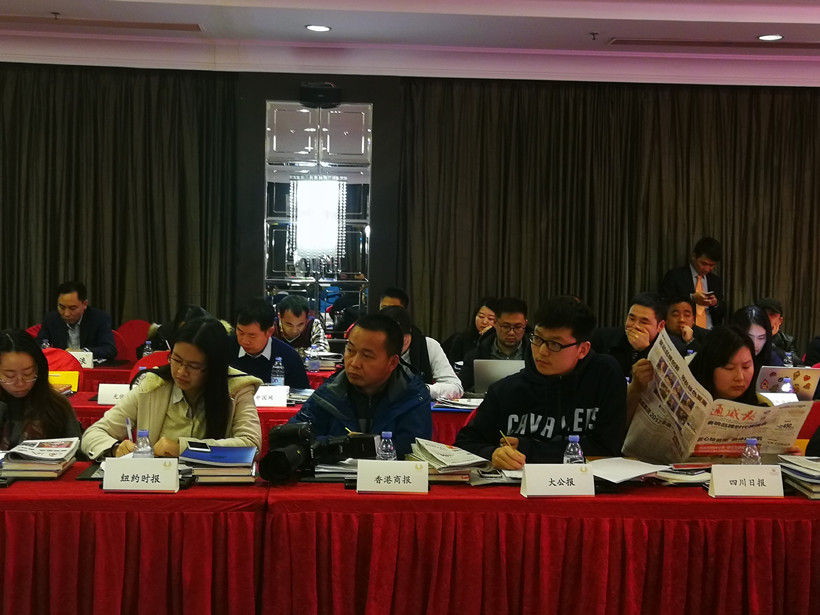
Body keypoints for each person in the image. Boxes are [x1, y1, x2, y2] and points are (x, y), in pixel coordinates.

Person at [454, 296, 626, 468]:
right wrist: (492, 454)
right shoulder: (506, 390)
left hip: (587, 481)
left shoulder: (604, 376)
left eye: (555, 344)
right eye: (537, 339)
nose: (542, 351)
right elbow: (464, 444)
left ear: (582, 349)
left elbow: (607, 449)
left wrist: (530, 449)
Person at [81, 318, 262, 460]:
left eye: (193, 366)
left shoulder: (237, 388)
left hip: (214, 487)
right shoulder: (153, 386)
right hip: (159, 487)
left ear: (213, 367)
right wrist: (114, 448)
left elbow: (251, 446)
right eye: (176, 360)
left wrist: (183, 449)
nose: (181, 372)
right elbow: (93, 434)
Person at [288, 314, 431, 457]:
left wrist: (347, 447)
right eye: (350, 350)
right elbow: (294, 438)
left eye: (367, 356)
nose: (354, 363)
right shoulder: (330, 393)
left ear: (392, 362)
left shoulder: (412, 396)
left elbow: (413, 448)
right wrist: (342, 446)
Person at [0, 329, 82, 450]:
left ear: (39, 369)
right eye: (10, 375)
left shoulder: (57, 407)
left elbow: (77, 453)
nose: (20, 383)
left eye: (28, 373)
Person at [590, 292, 681, 379]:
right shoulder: (602, 338)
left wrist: (646, 350)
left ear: (660, 326)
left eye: (644, 322)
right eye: (632, 319)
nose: (635, 326)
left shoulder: (675, 347)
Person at [380, 305, 463, 399]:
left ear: (408, 334)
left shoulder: (428, 346)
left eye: (400, 339)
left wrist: (423, 389)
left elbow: (456, 388)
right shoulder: (373, 348)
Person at [229, 298, 309, 388]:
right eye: (240, 332)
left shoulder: (289, 357)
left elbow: (301, 393)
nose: (244, 340)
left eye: (252, 335)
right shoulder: (224, 348)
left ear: (269, 332)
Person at [458, 297, 530, 392]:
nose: (511, 332)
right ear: (495, 323)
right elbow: (461, 388)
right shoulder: (476, 355)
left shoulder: (535, 355)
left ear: (525, 324)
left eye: (518, 327)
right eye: (505, 326)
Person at [36, 281, 116, 361]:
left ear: (84, 304)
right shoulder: (51, 319)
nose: (66, 313)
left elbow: (109, 349)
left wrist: (82, 352)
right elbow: (39, 344)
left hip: (89, 366)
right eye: (62, 307)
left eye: (72, 308)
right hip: (63, 365)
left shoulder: (99, 318)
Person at [660, 237, 726, 328]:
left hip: (710, 329)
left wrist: (715, 303)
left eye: (712, 265)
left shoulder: (715, 280)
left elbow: (722, 312)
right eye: (704, 264)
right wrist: (691, 298)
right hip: (684, 328)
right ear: (694, 256)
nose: (707, 269)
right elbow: (664, 302)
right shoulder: (675, 276)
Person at [138, 304, 211, 358]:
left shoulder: (206, 333)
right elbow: (143, 351)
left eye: (189, 326)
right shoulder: (167, 331)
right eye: (183, 326)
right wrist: (158, 354)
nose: (185, 329)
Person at [442, 297, 498, 365]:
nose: (484, 322)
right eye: (481, 316)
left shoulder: (499, 342)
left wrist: (488, 335)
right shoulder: (462, 339)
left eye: (490, 318)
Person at [730, 305, 784, 374]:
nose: (755, 344)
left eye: (761, 338)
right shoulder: (725, 357)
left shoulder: (772, 359)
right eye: (749, 337)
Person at [757, 297, 800, 365]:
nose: (767, 318)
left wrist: (770, 343)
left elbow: (798, 364)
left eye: (772, 314)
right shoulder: (747, 337)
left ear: (780, 321)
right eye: (763, 314)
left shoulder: (787, 341)